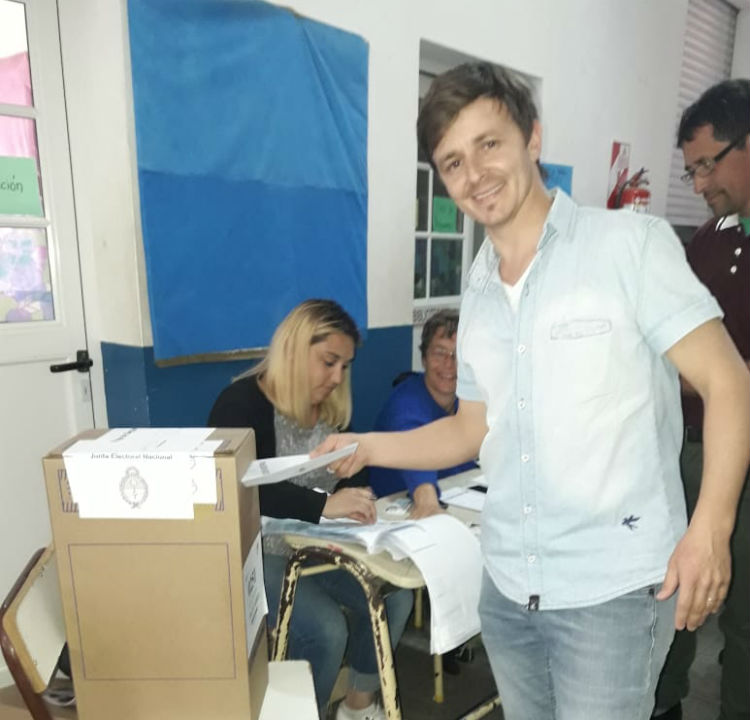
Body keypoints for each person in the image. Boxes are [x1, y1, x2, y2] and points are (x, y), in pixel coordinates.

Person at [314, 63, 750, 720]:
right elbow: (470, 428)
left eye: (489, 144)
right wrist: (367, 446)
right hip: (508, 590)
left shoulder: (628, 246)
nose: (475, 174)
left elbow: (728, 381)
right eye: (453, 162)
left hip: (610, 595)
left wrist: (710, 531)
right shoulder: (479, 291)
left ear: (533, 138)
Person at [208, 299, 413, 720]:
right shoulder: (239, 403)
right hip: (253, 551)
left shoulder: (330, 409)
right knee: (325, 630)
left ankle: (357, 707)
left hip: (314, 544)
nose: (337, 377)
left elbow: (350, 474)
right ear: (294, 350)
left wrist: (356, 496)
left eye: (345, 366)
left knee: (394, 597)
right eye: (329, 362)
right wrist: (324, 505)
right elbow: (237, 486)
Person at [653, 78, 750, 720]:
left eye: (707, 165)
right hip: (684, 450)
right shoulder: (710, 238)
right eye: (691, 171)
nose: (699, 184)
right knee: (674, 597)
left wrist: (693, 373)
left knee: (743, 621)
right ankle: (664, 706)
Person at [368, 309, 476, 518]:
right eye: (439, 353)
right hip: (396, 514)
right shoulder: (406, 403)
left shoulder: (466, 401)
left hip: (456, 499)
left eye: (458, 355)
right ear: (424, 358)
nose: (449, 364)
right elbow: (415, 454)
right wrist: (427, 501)